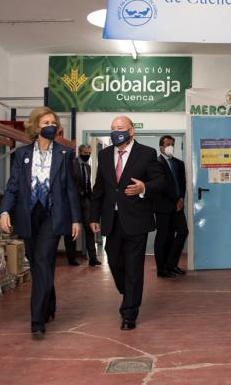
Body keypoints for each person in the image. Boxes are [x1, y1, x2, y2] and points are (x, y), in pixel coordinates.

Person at [0, 106, 81, 339]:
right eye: (45, 123)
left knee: (43, 260)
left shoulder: (64, 154)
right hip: (28, 215)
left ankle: (37, 319)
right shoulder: (22, 154)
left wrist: (76, 219)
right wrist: (4, 211)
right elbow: (13, 186)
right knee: (37, 264)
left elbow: (70, 190)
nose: (50, 127)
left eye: (52, 122)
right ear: (35, 127)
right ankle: (49, 303)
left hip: (53, 216)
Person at [89, 116, 165, 330]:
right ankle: (128, 291)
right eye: (112, 128)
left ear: (131, 131)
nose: (116, 132)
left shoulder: (147, 154)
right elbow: (100, 189)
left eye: (120, 128)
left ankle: (129, 313)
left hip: (136, 220)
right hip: (111, 221)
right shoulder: (104, 155)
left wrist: (144, 188)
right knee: (115, 263)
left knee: (134, 268)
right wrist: (94, 217)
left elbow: (160, 182)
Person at [153, 135, 188, 278]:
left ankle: (171, 265)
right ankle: (161, 269)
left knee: (182, 232)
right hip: (163, 206)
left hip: (178, 206)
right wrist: (175, 199)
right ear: (161, 146)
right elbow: (162, 185)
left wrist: (181, 199)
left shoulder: (179, 163)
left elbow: (182, 183)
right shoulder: (155, 163)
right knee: (163, 237)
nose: (170, 147)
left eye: (172, 144)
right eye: (167, 144)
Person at [72, 144, 101, 266]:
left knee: (90, 228)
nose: (87, 155)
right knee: (72, 231)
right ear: (79, 152)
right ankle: (71, 257)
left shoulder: (88, 167)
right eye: (85, 153)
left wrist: (92, 199)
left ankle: (93, 257)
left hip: (86, 200)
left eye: (89, 153)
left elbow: (88, 183)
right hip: (74, 201)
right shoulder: (72, 164)